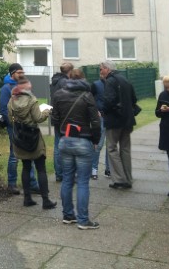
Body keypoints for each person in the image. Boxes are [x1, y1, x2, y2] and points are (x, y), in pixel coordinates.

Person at [51, 68, 101, 230]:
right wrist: (96, 140)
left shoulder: (58, 94)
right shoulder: (87, 96)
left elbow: (55, 119)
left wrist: (63, 131)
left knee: (67, 179)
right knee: (82, 182)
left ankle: (67, 215)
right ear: (83, 79)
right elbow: (95, 121)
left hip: (65, 140)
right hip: (83, 141)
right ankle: (83, 220)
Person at [8, 76, 56, 209]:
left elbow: (10, 117)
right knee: (41, 168)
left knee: (25, 167)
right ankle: (46, 201)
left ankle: (27, 198)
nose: (31, 86)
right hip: (33, 137)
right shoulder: (32, 100)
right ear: (26, 87)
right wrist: (47, 111)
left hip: (20, 137)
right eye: (30, 85)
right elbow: (38, 118)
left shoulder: (12, 99)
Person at [0, 63, 39, 195]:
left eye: (22, 72)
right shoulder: (6, 88)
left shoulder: (24, 86)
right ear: (12, 74)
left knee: (29, 154)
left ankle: (32, 184)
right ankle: (12, 184)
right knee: (14, 155)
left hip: (27, 126)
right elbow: (4, 110)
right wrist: (14, 124)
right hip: (15, 127)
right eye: (19, 72)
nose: (21, 74)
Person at [100, 60, 138, 189]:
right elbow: (134, 99)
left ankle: (120, 179)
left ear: (107, 69)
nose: (100, 72)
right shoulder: (125, 79)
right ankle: (128, 178)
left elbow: (108, 101)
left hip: (115, 120)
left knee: (111, 148)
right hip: (127, 119)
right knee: (125, 149)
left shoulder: (110, 81)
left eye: (101, 69)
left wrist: (103, 110)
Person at [50, 62, 74, 182]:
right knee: (65, 147)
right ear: (70, 71)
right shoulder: (65, 82)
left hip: (56, 117)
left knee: (57, 146)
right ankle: (65, 174)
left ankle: (59, 173)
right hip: (64, 118)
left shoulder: (54, 81)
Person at [90, 75, 109, 179]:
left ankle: (108, 169)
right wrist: (95, 111)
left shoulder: (113, 84)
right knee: (98, 145)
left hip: (110, 118)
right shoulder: (96, 84)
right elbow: (90, 99)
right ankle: (94, 170)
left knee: (110, 146)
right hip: (100, 117)